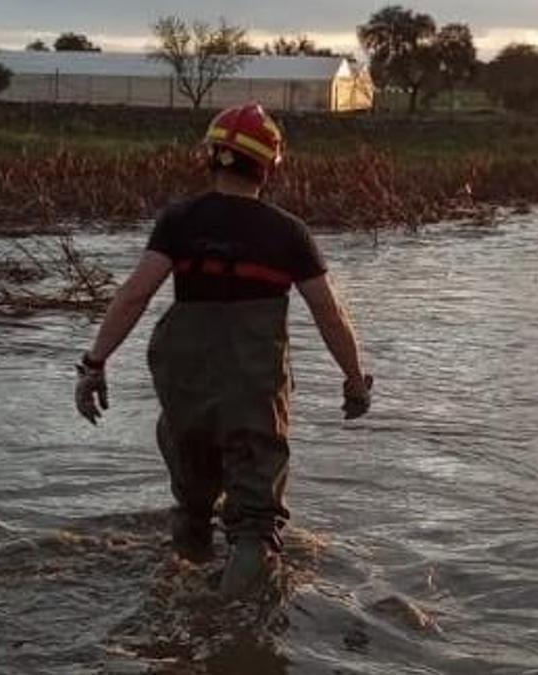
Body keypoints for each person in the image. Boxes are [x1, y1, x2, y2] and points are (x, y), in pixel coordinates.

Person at [74, 103, 373, 599]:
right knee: (255, 527)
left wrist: (93, 364)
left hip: (186, 390)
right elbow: (329, 312)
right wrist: (354, 379)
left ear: (210, 157)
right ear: (269, 167)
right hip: (253, 393)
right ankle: (230, 634)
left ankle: (183, 600)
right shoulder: (288, 232)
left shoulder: (179, 221)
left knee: (192, 506)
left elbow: (134, 294)